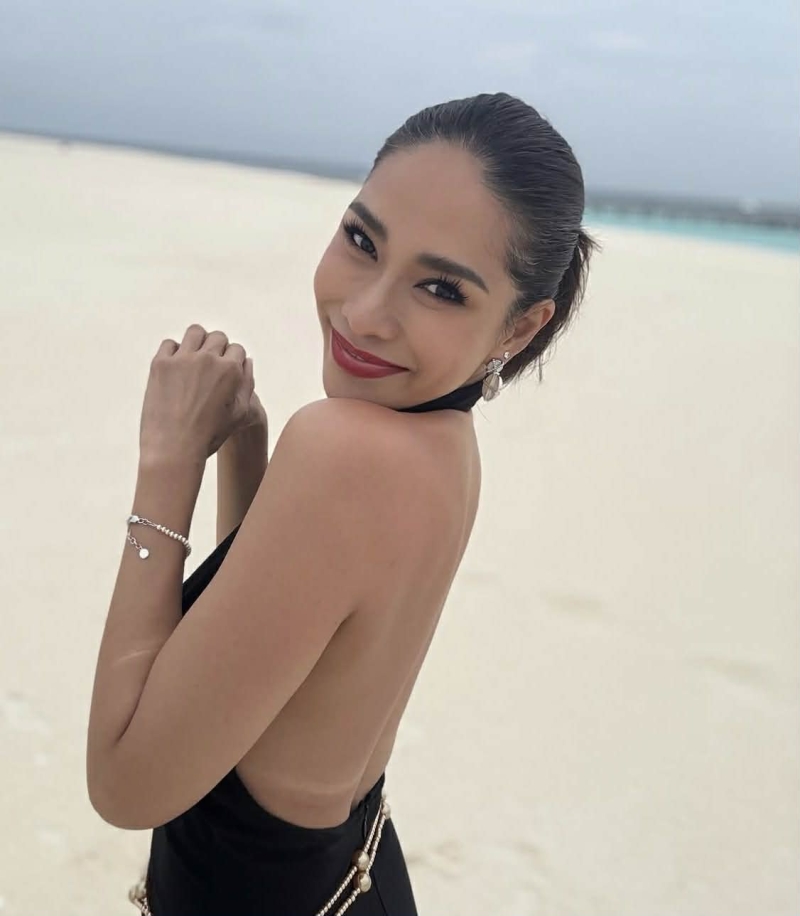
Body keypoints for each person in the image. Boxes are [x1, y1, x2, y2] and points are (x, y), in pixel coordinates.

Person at [87, 91, 597, 915]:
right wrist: (246, 448)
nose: (365, 312)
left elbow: (125, 782)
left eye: (441, 289)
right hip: (353, 879)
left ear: (520, 328)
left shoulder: (345, 451)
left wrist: (167, 462)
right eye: (362, 240)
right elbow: (280, 653)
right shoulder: (444, 445)